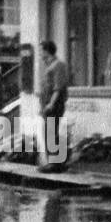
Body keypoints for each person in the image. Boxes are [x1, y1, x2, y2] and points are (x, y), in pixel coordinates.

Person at [36, 40, 69, 171]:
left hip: (54, 104)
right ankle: (55, 162)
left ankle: (54, 163)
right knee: (48, 132)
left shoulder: (58, 65)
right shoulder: (49, 66)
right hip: (47, 105)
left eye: (41, 50)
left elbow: (58, 88)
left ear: (46, 51)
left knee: (50, 131)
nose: (39, 53)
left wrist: (51, 103)